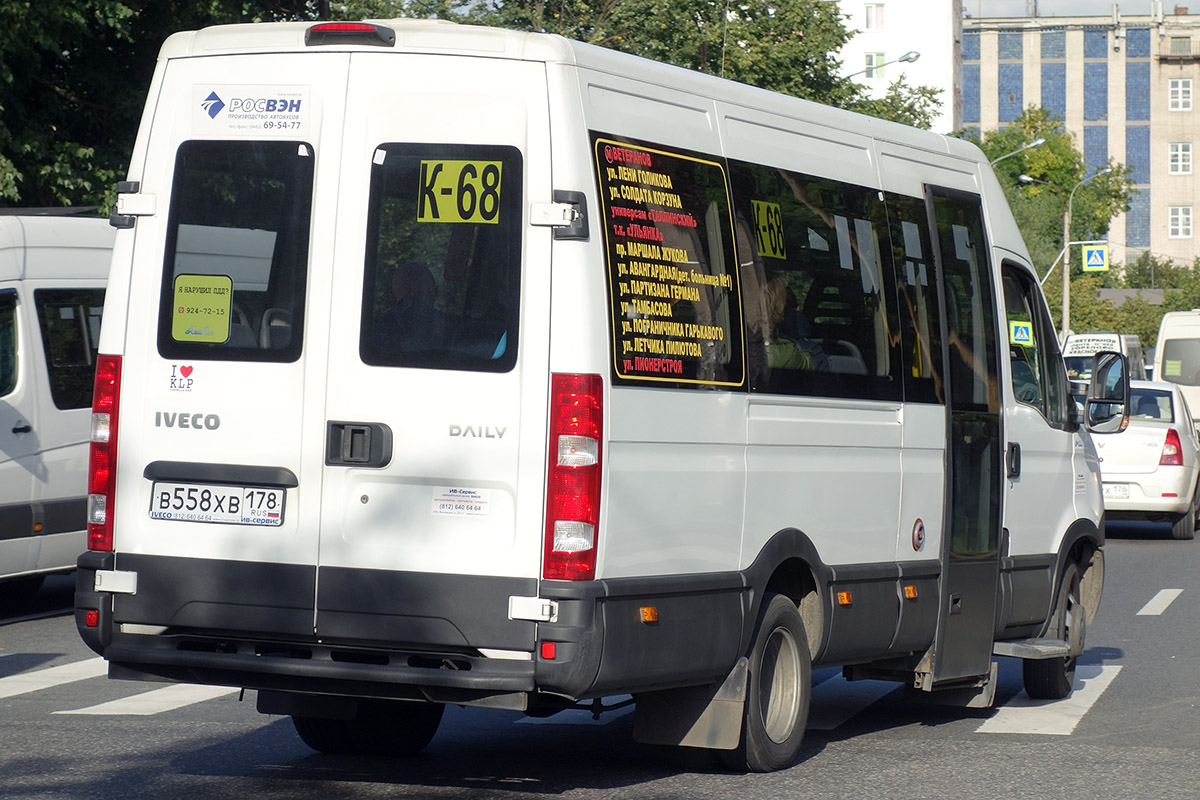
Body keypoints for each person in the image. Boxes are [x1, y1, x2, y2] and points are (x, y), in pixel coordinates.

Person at [376, 260, 444, 353]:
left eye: (421, 292)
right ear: (393, 297)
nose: (414, 303)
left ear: (434, 294)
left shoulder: (454, 332)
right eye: (408, 295)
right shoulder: (375, 333)